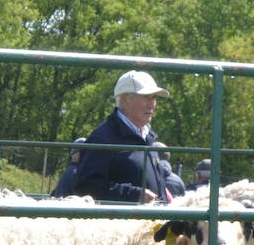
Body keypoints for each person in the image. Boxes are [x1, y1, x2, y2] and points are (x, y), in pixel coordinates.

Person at [73, 70, 178, 203]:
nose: (152, 105)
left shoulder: (147, 138)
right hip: (120, 222)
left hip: (149, 222)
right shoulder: (102, 138)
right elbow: (84, 188)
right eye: (146, 97)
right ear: (125, 99)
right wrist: (133, 195)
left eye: (154, 98)